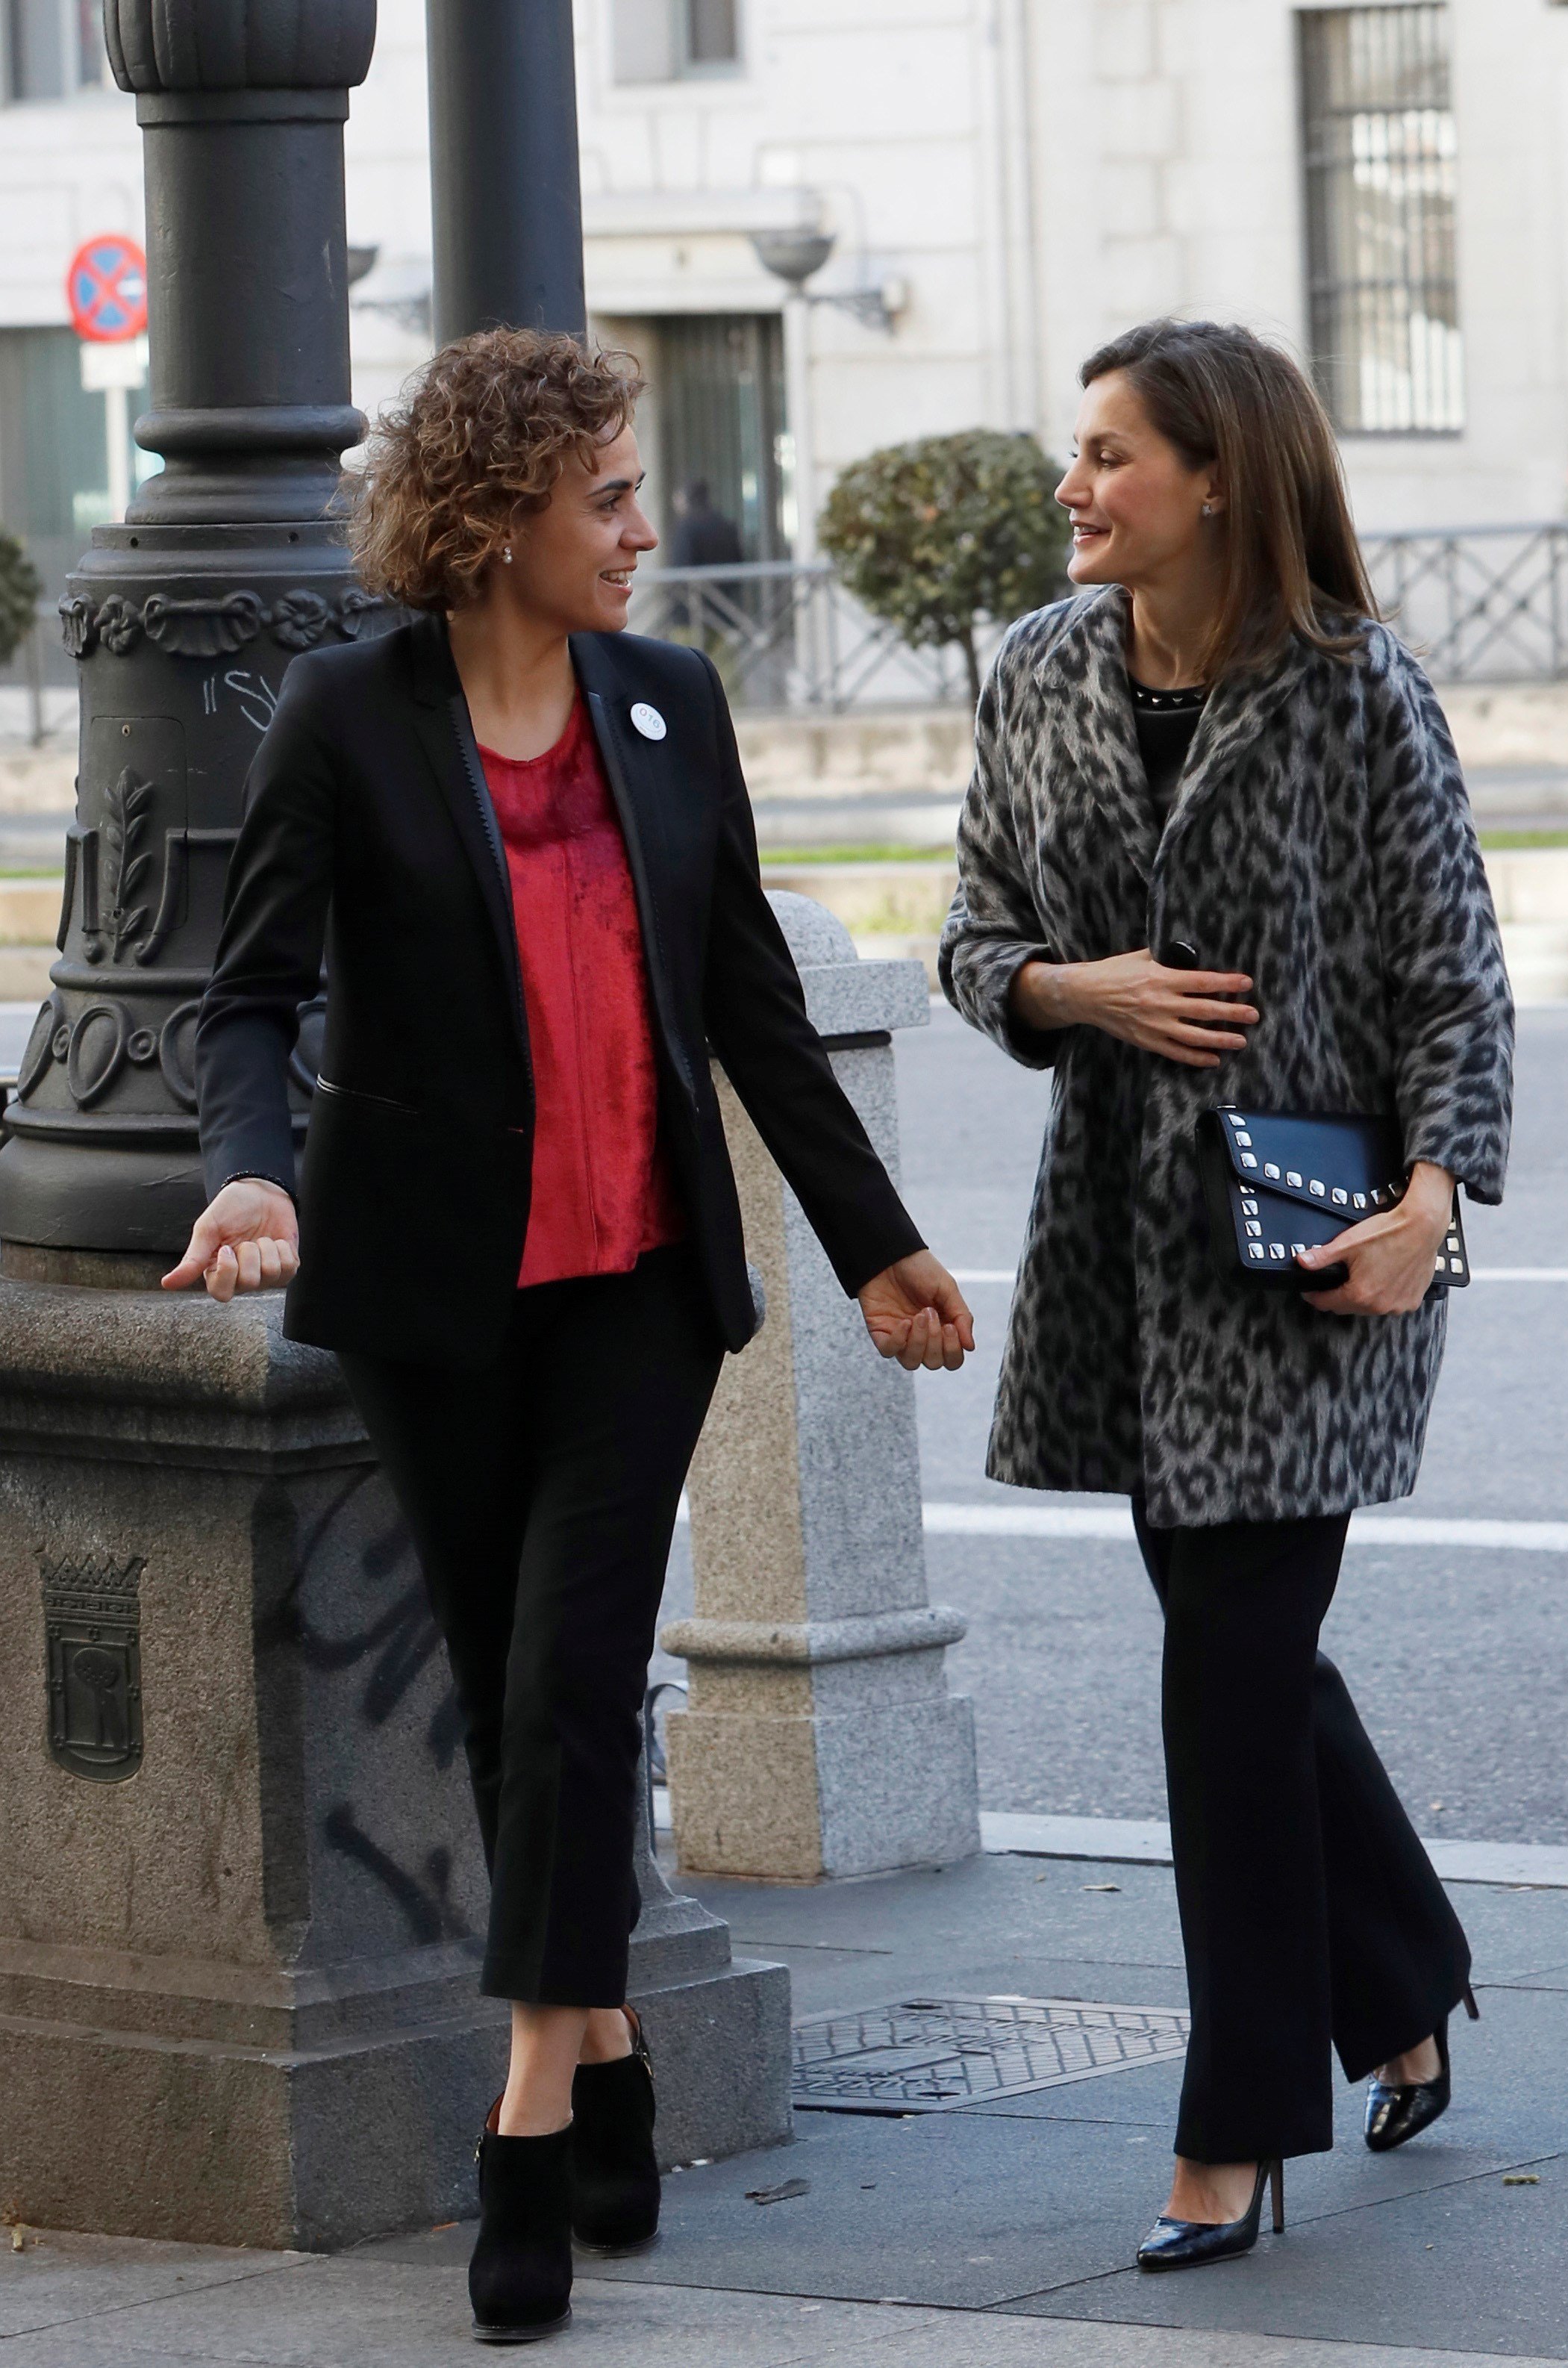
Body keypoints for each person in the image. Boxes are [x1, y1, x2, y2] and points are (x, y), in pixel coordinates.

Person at [164, 328, 974, 2343]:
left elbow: (753, 1010)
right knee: (530, 1686)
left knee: (564, 1678)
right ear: (499, 508)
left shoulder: (670, 705)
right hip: (433, 1292)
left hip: (636, 1286)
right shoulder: (350, 721)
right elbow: (247, 994)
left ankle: (522, 2121)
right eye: (605, 494)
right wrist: (248, 1174)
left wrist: (874, 1246)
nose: (641, 528)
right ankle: (605, 2034)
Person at [940, 317, 1513, 2272]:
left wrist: (1434, 1200)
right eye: (1074, 451)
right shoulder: (1033, 670)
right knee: (1243, 1650)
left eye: (1109, 455)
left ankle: (1233, 2120)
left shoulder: (1357, 694)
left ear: (1218, 480)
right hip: (1119, 1246)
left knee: (1220, 1674)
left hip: (1315, 1242)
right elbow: (972, 936)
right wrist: (1069, 986)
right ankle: (1412, 1965)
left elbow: (1452, 979)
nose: (1072, 486)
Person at [667, 476, 745, 570]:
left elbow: (680, 565)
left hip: (700, 582)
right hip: (729, 581)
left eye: (678, 498)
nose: (675, 504)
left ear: (687, 499)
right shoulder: (725, 524)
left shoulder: (686, 527)